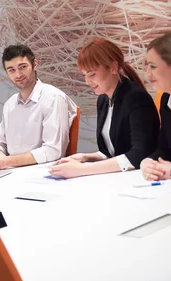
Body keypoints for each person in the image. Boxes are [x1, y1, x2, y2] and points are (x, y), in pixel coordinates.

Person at [50, 38, 159, 178]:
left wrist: (81, 170)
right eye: (85, 75)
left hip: (141, 178)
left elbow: (139, 154)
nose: (87, 81)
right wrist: (84, 157)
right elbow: (111, 151)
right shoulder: (103, 99)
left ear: (113, 67)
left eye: (92, 74)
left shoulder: (135, 97)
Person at [0, 44, 77, 170]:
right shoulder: (10, 104)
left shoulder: (53, 97)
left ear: (35, 64)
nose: (18, 74)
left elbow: (53, 150)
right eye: (11, 70)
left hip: (45, 171)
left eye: (23, 67)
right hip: (11, 170)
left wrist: (7, 161)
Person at [141, 32, 171, 181]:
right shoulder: (166, 99)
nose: (147, 74)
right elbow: (163, 149)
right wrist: (148, 163)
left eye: (152, 67)